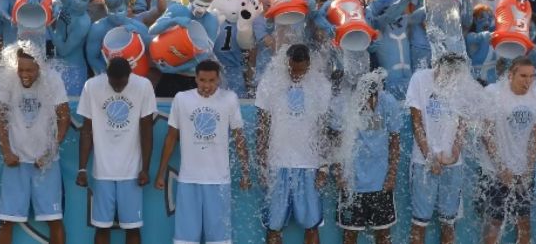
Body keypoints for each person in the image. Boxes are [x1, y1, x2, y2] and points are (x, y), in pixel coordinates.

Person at [154, 60, 251, 244]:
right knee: (185, 240)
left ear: (218, 79)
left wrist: (245, 172)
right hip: (188, 180)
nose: (207, 85)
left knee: (219, 241)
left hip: (219, 180)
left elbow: (239, 137)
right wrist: (160, 173)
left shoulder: (230, 98)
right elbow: (171, 137)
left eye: (212, 81)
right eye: (202, 80)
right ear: (196, 79)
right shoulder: (182, 99)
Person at [76, 57, 157, 244]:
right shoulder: (92, 86)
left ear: (130, 75)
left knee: (132, 227)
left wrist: (145, 167)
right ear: (106, 76)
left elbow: (146, 130)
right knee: (101, 226)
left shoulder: (143, 86)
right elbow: (86, 130)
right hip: (102, 171)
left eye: (122, 84)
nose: (118, 88)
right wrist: (82, 168)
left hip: (132, 171)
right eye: (114, 83)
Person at [256, 44, 331, 244]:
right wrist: (262, 161)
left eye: (301, 71)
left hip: (308, 164)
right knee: (274, 225)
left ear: (308, 65)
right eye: (293, 70)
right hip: (277, 163)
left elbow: (322, 128)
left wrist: (324, 166)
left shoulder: (320, 85)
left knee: (312, 225)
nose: (297, 75)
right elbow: (262, 125)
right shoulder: (270, 82)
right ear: (285, 62)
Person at [0, 47, 69, 244]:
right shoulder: (7, 79)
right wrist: (6, 151)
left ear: (40, 68)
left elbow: (64, 117)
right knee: (5, 221)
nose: (24, 75)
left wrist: (50, 152)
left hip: (45, 162)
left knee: (54, 220)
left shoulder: (53, 79)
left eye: (30, 71)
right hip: (16, 162)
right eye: (21, 70)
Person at [479, 57, 536, 244]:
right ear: (510, 75)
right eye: (523, 76)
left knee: (524, 220)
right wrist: (501, 168)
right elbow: (486, 134)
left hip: (523, 169)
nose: (528, 81)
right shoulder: (493, 93)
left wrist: (529, 167)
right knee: (494, 221)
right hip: (494, 169)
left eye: (532, 76)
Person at [406, 53, 473, 244]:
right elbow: (416, 122)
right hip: (423, 163)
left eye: (454, 74)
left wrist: (454, 153)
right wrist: (429, 157)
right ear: (437, 66)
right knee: (420, 222)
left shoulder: (462, 84)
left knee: (448, 223)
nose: (450, 78)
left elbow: (463, 124)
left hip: (453, 164)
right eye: (447, 73)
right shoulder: (419, 79)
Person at [330, 69, 402, 244]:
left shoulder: (388, 103)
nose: (367, 102)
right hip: (352, 182)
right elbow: (336, 141)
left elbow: (394, 141)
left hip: (380, 181)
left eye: (371, 98)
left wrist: (392, 175)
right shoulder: (345, 104)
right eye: (363, 97)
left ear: (377, 94)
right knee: (350, 235)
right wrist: (340, 174)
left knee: (383, 234)